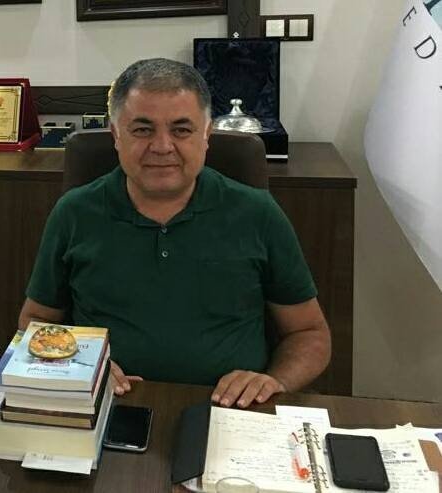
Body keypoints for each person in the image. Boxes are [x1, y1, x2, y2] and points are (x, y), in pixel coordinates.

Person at [19, 58, 331, 408]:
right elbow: (36, 320)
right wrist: (79, 365)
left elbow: (309, 333)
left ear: (206, 135)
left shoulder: (258, 213)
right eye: (143, 130)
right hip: (108, 403)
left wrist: (274, 382)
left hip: (232, 410)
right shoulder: (75, 213)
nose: (162, 146)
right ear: (116, 136)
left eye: (181, 130)